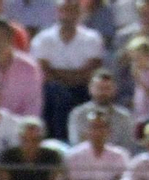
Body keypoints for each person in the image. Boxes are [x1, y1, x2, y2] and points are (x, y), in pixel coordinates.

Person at [30, 0, 101, 140]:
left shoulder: (92, 38)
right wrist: (71, 75)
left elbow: (90, 71)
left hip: (83, 88)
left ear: (80, 13)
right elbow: (43, 71)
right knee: (56, 93)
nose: (69, 14)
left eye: (73, 10)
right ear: (58, 12)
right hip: (53, 90)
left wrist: (57, 72)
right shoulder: (43, 39)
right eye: (65, 10)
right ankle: (57, 139)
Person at [61, 105, 127, 180]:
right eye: (94, 127)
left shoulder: (120, 156)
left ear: (109, 131)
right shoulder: (73, 156)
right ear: (87, 131)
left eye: (102, 127)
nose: (98, 132)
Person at [0, 114, 59, 180]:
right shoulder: (8, 156)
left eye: (35, 140)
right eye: (25, 139)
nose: (30, 144)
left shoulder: (52, 156)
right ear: (20, 138)